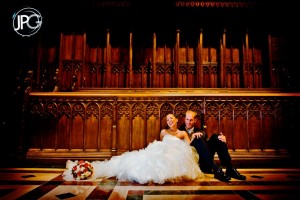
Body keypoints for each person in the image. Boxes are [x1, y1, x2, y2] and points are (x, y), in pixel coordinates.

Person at [62, 113, 204, 184]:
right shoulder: (163, 132)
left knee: (166, 164)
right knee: (140, 159)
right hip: (161, 151)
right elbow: (162, 144)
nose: (170, 121)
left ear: (177, 120)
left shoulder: (182, 133)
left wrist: (198, 135)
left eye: (172, 119)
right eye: (167, 120)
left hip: (175, 155)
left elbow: (189, 146)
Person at [179, 110, 246, 182]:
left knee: (217, 137)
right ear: (184, 119)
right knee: (197, 138)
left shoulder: (201, 131)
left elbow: (206, 148)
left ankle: (230, 168)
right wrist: (192, 138)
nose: (188, 122)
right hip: (193, 163)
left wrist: (222, 139)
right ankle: (216, 169)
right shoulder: (179, 131)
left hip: (205, 161)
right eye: (187, 119)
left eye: (191, 120)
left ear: (195, 120)